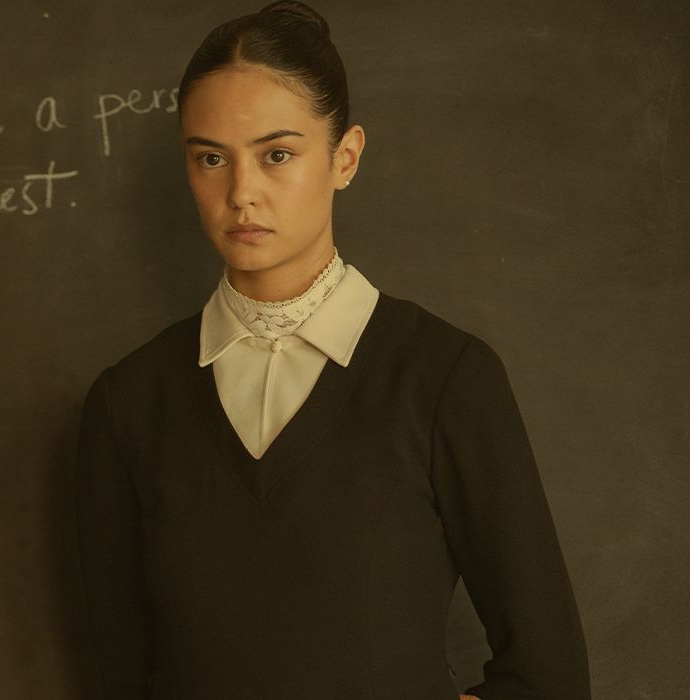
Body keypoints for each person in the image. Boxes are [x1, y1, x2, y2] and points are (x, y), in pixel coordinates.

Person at [72, 2, 591, 698]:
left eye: (277, 154)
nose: (241, 193)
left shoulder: (443, 379)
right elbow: (120, 677)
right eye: (210, 159)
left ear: (344, 158)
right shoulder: (128, 404)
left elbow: (549, 671)